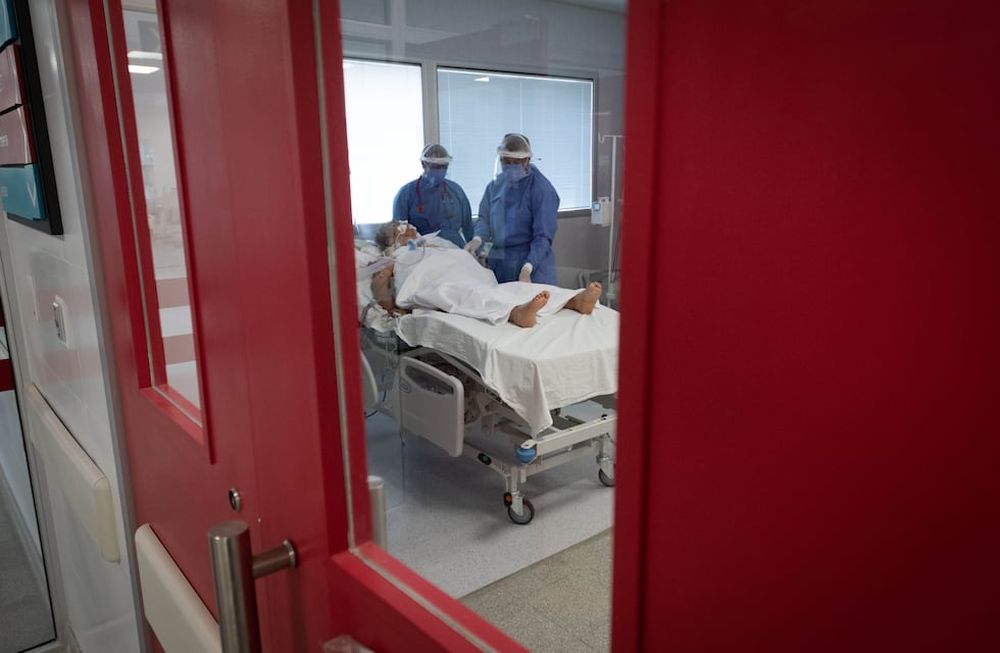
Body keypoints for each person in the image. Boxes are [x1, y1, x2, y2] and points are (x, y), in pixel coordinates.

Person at [370, 222, 600, 328]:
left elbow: (460, 257)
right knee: (468, 294)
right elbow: (381, 282)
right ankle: (515, 314)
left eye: (407, 225)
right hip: (439, 282)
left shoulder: (432, 243)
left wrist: (471, 258)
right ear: (393, 241)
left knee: (508, 287)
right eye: (399, 228)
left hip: (465, 273)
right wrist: (391, 306)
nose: (405, 226)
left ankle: (573, 300)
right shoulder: (397, 255)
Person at [466, 133, 559, 285]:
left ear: (527, 160)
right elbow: (485, 220)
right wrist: (478, 241)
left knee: (535, 305)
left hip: (533, 265)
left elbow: (543, 236)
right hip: (500, 263)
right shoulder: (495, 186)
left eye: (516, 162)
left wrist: (527, 268)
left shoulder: (541, 189)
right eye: (506, 162)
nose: (510, 167)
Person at [392, 144, 473, 249]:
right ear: (423, 164)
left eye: (444, 167)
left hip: (455, 248)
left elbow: (468, 227)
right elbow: (399, 233)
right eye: (436, 167)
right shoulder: (406, 194)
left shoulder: (455, 191)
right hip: (423, 251)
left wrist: (477, 251)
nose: (441, 170)